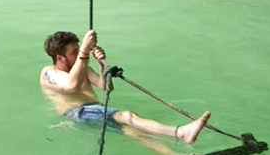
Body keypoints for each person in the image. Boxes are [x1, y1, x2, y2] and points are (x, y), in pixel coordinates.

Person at [40, 30, 211, 147]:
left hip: (95, 109)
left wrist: (101, 64)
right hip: (77, 113)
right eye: (74, 53)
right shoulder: (49, 73)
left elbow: (106, 88)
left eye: (78, 50)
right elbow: (71, 86)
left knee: (135, 132)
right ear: (60, 57)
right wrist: (84, 51)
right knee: (127, 116)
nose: (78, 55)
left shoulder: (83, 69)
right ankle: (179, 133)